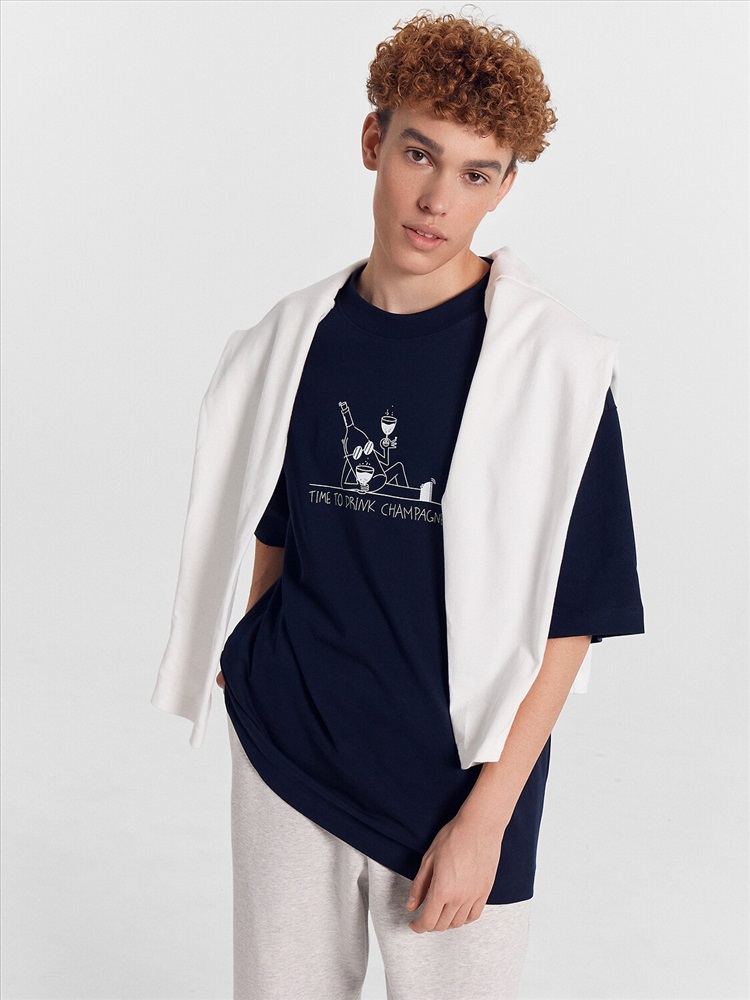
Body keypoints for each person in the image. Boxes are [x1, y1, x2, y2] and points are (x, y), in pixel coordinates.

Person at [161, 10, 644, 1000]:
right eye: (420, 153)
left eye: (476, 173)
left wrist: (486, 819)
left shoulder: (557, 373)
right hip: (291, 755)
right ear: (373, 140)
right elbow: (275, 519)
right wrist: (254, 663)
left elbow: (572, 623)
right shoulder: (297, 339)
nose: (437, 200)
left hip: (454, 788)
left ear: (505, 187)